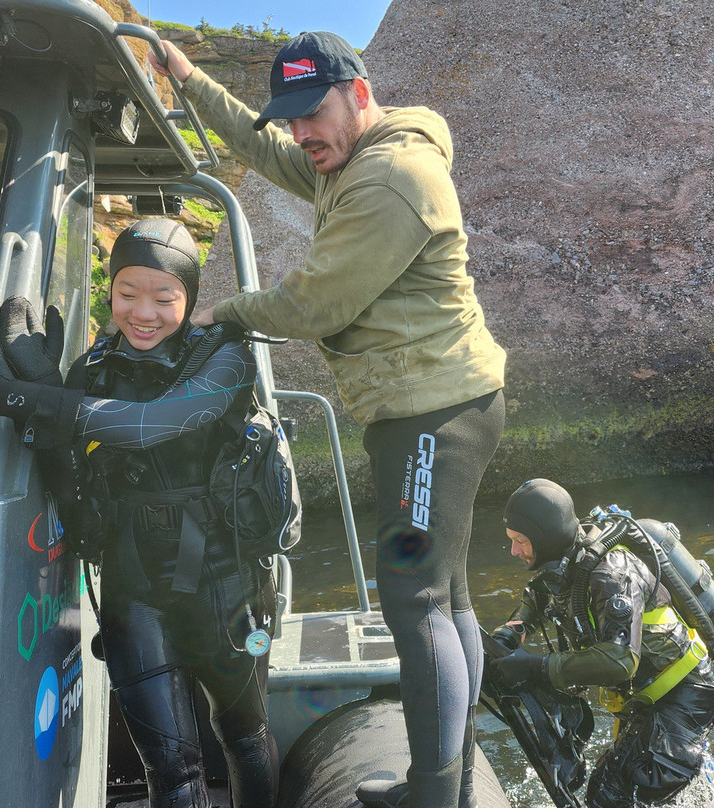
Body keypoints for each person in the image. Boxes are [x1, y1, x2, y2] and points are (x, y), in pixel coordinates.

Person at [150, 31, 506, 808]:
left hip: (430, 419)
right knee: (448, 598)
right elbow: (267, 145)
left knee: (415, 604)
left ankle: (436, 794)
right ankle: (449, 777)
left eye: (314, 112)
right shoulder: (349, 159)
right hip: (442, 405)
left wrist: (222, 313)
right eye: (295, 116)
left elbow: (318, 302)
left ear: (361, 94)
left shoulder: (389, 181)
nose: (303, 131)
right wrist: (190, 80)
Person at [0, 218, 278, 808]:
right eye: (127, 293)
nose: (143, 312)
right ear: (111, 292)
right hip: (133, 582)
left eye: (165, 296)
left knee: (244, 736)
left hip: (224, 580)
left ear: (191, 297)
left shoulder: (227, 359)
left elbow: (150, 425)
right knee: (173, 770)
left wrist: (29, 398)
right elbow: (69, 476)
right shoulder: (95, 367)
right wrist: (45, 390)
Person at [487, 479, 714, 808]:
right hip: (648, 697)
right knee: (605, 789)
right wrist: (507, 635)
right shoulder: (564, 568)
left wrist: (539, 667)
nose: (514, 551)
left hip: (685, 694)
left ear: (545, 537)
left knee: (611, 797)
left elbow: (620, 659)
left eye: (521, 541)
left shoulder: (612, 576)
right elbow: (531, 608)